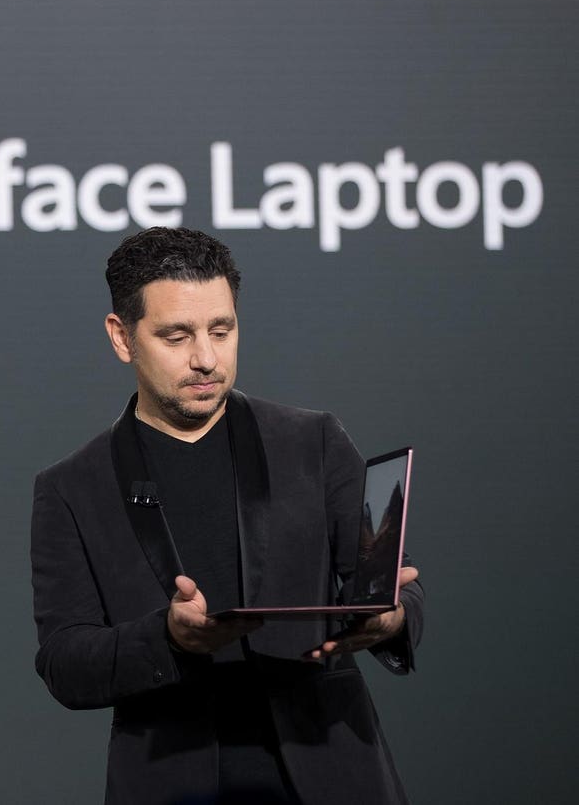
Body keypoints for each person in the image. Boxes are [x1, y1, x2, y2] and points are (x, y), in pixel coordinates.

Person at [30, 227, 423, 805]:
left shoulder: (313, 441)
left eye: (222, 330)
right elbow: (65, 663)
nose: (206, 359)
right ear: (122, 337)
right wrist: (168, 637)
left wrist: (391, 615)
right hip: (171, 781)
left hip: (332, 772)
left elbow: (397, 588)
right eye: (176, 336)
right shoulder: (70, 488)